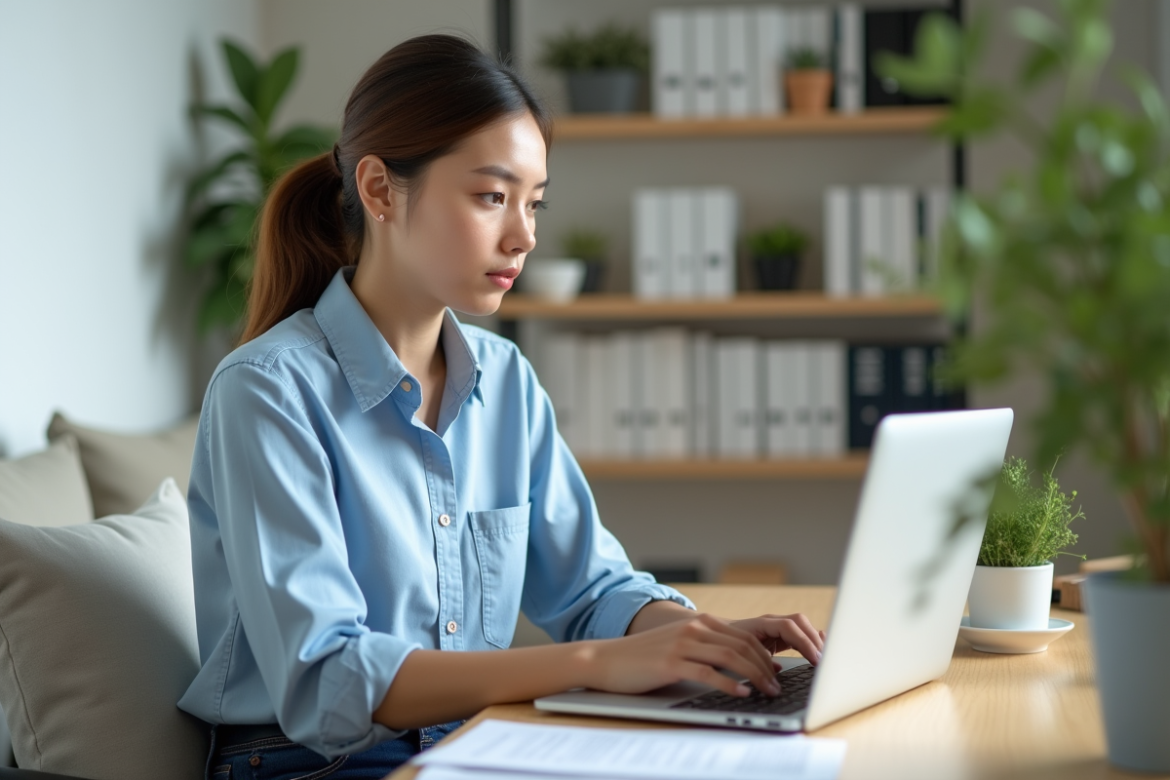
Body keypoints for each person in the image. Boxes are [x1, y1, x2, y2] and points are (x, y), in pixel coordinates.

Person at [178, 34, 825, 780]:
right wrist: (595, 663)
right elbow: (326, 679)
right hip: (310, 764)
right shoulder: (266, 391)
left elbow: (590, 588)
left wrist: (695, 638)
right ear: (382, 191)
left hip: (474, 742)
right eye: (492, 196)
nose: (525, 236)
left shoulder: (505, 378)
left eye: (534, 202)